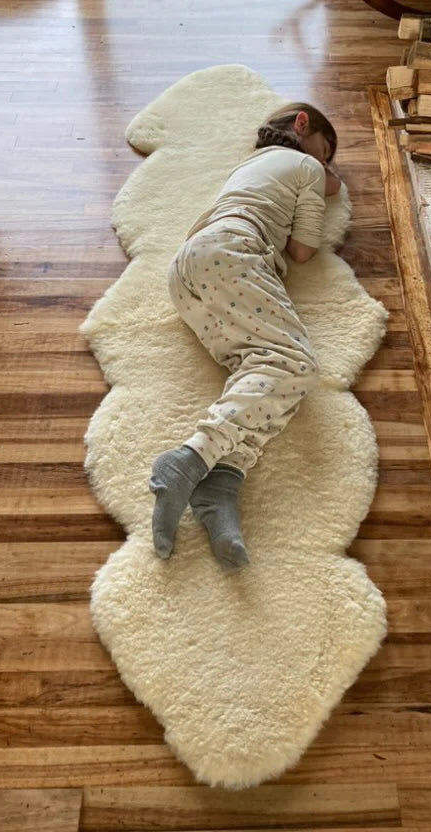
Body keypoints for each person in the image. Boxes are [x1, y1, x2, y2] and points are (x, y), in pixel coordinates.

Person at [149, 102, 342, 572]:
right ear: (303, 125)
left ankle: (223, 482)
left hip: (187, 271)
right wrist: (326, 179)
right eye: (326, 151)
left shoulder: (250, 167)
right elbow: (302, 251)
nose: (327, 163)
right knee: (295, 363)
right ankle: (190, 458)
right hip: (232, 252)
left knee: (258, 371)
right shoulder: (304, 166)